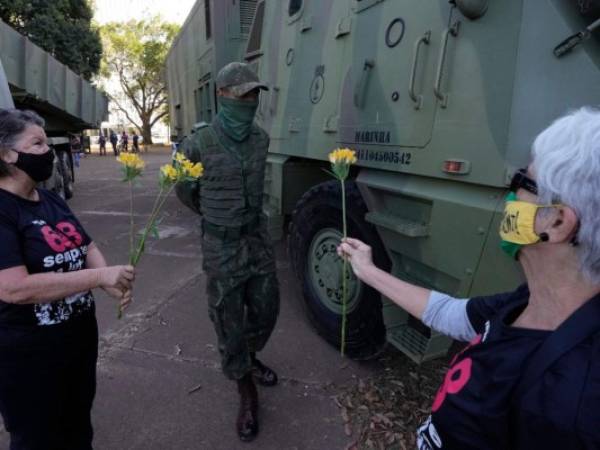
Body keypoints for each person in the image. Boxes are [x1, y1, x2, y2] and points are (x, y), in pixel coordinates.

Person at [338, 107, 600, 450]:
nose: (510, 197)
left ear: (557, 223)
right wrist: (369, 271)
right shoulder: (529, 302)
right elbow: (453, 315)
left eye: (521, 182)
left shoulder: (574, 406)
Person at [0, 109, 135, 450]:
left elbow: (85, 243)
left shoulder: (49, 198)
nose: (48, 150)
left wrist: (107, 282)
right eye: (38, 143)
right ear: (6, 154)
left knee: (77, 427)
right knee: (37, 437)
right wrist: (98, 276)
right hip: (28, 357)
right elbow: (12, 288)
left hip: (76, 344)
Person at [175, 62, 280, 442]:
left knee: (268, 307)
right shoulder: (198, 143)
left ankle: (247, 357)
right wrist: (217, 217)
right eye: (242, 93)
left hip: (256, 239)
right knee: (227, 318)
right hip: (221, 245)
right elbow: (186, 191)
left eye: (254, 94)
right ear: (221, 95)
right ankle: (245, 389)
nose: (249, 100)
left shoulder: (260, 140)